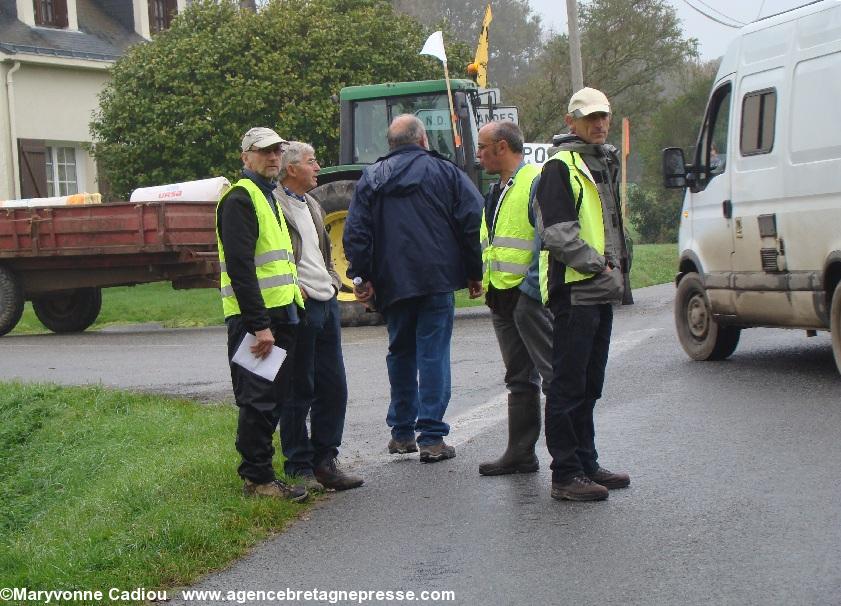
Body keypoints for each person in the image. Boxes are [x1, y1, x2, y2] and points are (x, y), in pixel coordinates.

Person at [343, 114, 484, 463]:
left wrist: (361, 277)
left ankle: (402, 433)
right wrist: (473, 271)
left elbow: (356, 233)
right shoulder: (447, 172)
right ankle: (432, 437)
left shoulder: (371, 177)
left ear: (390, 146)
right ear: (422, 141)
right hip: (436, 279)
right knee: (433, 352)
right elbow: (471, 220)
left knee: (401, 352)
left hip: (392, 282)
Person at [532, 88, 632, 502]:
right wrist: (600, 264)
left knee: (590, 384)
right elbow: (558, 235)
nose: (600, 123)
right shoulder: (561, 167)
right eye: (590, 117)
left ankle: (587, 462)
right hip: (575, 291)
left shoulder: (600, 162)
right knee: (567, 386)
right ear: (570, 121)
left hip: (598, 291)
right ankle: (566, 472)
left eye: (604, 116)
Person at [216, 127, 307, 502]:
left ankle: (263, 475)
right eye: (264, 151)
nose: (273, 157)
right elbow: (241, 269)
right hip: (258, 321)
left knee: (272, 397)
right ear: (245, 157)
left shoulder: (267, 195)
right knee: (257, 399)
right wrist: (259, 326)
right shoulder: (241, 198)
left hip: (281, 314)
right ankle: (257, 479)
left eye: (277, 151)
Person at [274, 141, 364, 491]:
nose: (318, 167)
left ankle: (326, 461)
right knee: (300, 387)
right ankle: (299, 465)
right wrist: (298, 288)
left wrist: (330, 279)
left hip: (326, 304)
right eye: (312, 162)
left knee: (334, 386)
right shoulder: (274, 204)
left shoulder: (310, 202)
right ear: (291, 168)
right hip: (302, 306)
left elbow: (321, 252)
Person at [475, 120, 554, 477]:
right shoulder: (498, 189)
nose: (478, 154)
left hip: (527, 298)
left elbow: (546, 239)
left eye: (482, 147)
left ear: (502, 147)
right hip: (501, 297)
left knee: (554, 376)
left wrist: (530, 291)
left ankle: (570, 458)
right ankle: (520, 453)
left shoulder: (533, 181)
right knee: (519, 378)